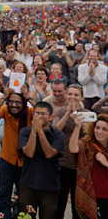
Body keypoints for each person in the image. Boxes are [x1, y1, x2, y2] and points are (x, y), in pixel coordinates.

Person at [0, 88, 34, 219]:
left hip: (25, 161)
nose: (14, 105)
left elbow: (44, 114)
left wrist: (29, 97)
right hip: (7, 159)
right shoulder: (5, 110)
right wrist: (3, 98)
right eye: (11, 101)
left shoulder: (30, 112)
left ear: (24, 102)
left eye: (18, 102)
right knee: (3, 195)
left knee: (25, 197)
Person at [18, 102, 65, 219]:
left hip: (50, 185)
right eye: (37, 113)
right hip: (28, 183)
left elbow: (49, 154)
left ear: (51, 117)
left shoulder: (58, 135)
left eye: (43, 114)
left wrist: (41, 132)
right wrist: (34, 131)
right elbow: (29, 153)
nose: (39, 116)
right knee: (26, 216)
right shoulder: (25, 132)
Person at [52, 84, 87, 219]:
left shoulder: (86, 113)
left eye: (76, 95)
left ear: (81, 97)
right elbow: (55, 131)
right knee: (59, 202)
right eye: (70, 94)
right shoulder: (60, 111)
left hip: (80, 164)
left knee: (77, 205)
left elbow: (88, 134)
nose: (72, 97)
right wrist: (68, 113)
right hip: (62, 161)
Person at [69, 112, 108, 219]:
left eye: (104, 129)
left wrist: (106, 163)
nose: (99, 132)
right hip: (90, 194)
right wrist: (77, 126)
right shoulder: (88, 144)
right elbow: (73, 148)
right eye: (97, 127)